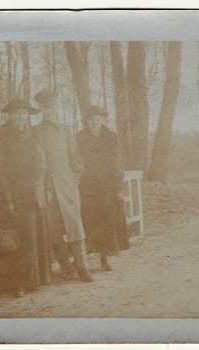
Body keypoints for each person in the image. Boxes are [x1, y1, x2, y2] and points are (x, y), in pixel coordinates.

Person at [0, 98, 52, 297]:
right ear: (9, 115)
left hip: (35, 194)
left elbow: (44, 162)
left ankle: (35, 280)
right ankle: (17, 284)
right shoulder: (3, 138)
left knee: (34, 238)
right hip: (14, 197)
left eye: (24, 113)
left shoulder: (31, 134)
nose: (21, 117)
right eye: (17, 113)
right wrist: (7, 199)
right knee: (18, 241)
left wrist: (46, 186)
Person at [33, 89, 93, 283]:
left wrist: (74, 178)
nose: (49, 109)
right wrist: (43, 184)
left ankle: (82, 267)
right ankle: (66, 268)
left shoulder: (65, 130)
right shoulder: (35, 132)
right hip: (47, 188)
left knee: (75, 226)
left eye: (52, 106)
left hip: (67, 186)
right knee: (54, 230)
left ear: (56, 107)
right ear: (41, 109)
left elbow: (76, 159)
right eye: (45, 106)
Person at [76, 105, 129, 271]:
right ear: (86, 122)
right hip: (87, 187)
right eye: (91, 120)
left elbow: (117, 163)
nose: (95, 122)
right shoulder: (79, 138)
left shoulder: (111, 137)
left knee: (107, 221)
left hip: (107, 187)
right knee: (89, 221)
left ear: (102, 120)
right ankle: (83, 259)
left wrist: (119, 188)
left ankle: (104, 257)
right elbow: (75, 161)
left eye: (98, 119)